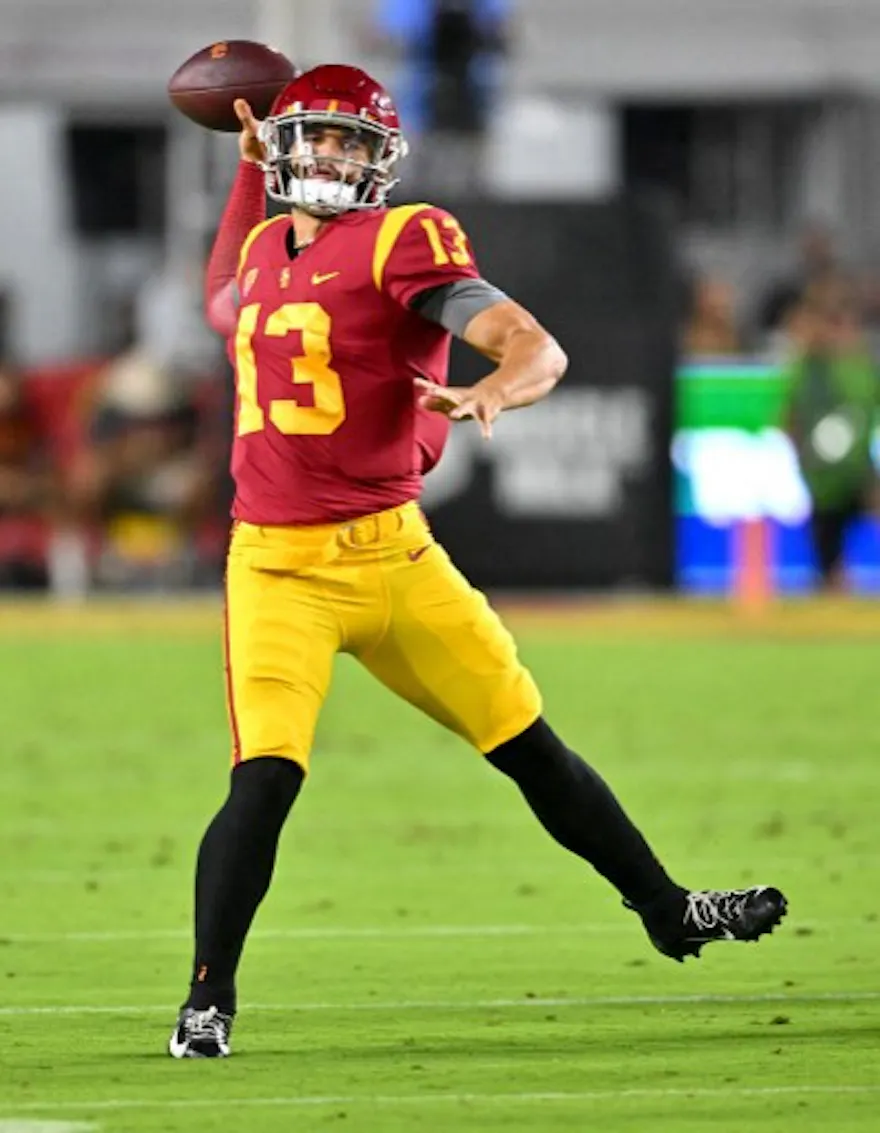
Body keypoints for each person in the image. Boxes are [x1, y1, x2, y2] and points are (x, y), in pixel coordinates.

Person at [168, 64, 787, 1059]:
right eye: (312, 139)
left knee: (528, 743)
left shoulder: (404, 237)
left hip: (396, 553)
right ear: (281, 149)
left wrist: (501, 387)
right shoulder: (262, 242)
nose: (328, 157)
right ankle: (209, 997)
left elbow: (532, 343)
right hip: (277, 565)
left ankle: (668, 909)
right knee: (265, 775)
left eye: (347, 142)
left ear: (380, 160)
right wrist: (246, 174)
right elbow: (222, 303)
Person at [781, 291, 880, 589]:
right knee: (828, 546)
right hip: (824, 477)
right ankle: (833, 584)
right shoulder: (806, 370)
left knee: (834, 539)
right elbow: (790, 419)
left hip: (855, 472)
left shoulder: (858, 369)